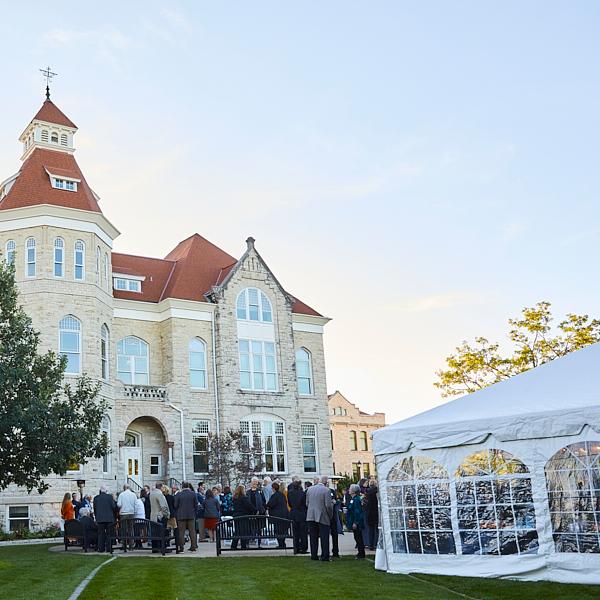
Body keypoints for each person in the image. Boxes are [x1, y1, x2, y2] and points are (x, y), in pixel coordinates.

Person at [306, 475, 333, 561]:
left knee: (313, 537)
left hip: (311, 515)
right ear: (326, 482)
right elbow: (328, 505)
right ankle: (325, 556)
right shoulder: (326, 490)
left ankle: (314, 555)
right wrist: (330, 515)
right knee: (324, 537)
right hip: (322, 516)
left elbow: (307, 503)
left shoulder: (309, 489)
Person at [174, 482, 198, 553]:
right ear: (188, 486)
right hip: (191, 515)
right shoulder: (193, 494)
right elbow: (196, 505)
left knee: (181, 532)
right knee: (192, 532)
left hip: (181, 515)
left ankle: (181, 548)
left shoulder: (179, 494)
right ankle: (193, 547)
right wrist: (194, 512)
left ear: (182, 487)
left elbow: (175, 505)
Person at [93, 485, 117, 553]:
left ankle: (101, 548)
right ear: (106, 491)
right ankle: (109, 548)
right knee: (109, 534)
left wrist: (96, 517)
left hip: (100, 518)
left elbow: (95, 509)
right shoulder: (109, 497)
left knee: (100, 534)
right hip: (109, 518)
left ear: (100, 491)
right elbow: (113, 507)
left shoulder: (96, 498)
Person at [231, 484, 255, 550]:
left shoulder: (235, 498)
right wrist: (255, 510)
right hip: (243, 516)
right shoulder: (244, 498)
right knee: (244, 531)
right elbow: (249, 506)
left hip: (236, 516)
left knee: (237, 531)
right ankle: (243, 545)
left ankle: (234, 545)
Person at [287, 476, 308, 554]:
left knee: (295, 533)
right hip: (301, 514)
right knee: (303, 532)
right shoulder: (303, 493)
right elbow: (305, 504)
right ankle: (303, 548)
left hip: (294, 513)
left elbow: (289, 503)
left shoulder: (290, 493)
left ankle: (296, 548)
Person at [266, 482, 289, 548]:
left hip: (277, 516)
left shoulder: (274, 496)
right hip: (284, 515)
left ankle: (281, 544)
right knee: (283, 530)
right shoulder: (282, 495)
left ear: (273, 488)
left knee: (278, 531)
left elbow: (270, 504)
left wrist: (266, 505)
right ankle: (282, 543)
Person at [149, 482, 170, 553]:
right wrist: (166, 514)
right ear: (161, 487)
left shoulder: (151, 494)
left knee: (154, 533)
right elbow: (163, 506)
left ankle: (155, 548)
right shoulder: (159, 494)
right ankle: (162, 547)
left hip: (153, 515)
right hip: (159, 516)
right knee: (162, 532)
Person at [346, 484, 366, 559]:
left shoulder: (356, 499)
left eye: (350, 489)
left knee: (358, 537)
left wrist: (355, 522)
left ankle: (361, 553)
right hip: (353, 520)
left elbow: (357, 512)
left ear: (354, 491)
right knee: (356, 536)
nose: (349, 490)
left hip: (357, 522)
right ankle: (360, 552)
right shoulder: (353, 499)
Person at [117, 484, 137, 549]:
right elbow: (136, 504)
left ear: (124, 488)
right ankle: (131, 545)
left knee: (124, 529)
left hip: (124, 513)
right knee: (131, 529)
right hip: (131, 513)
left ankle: (124, 545)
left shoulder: (121, 495)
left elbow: (119, 504)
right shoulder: (133, 495)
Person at [365, 479, 379, 550]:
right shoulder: (377, 491)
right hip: (376, 512)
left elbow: (365, 502)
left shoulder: (367, 492)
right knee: (378, 529)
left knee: (371, 530)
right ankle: (378, 544)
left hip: (369, 512)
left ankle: (371, 545)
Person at [329, 487, 341, 558]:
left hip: (333, 516)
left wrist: (335, 502)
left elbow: (336, 501)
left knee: (335, 534)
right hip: (326, 516)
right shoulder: (324, 491)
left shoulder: (332, 491)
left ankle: (335, 552)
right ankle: (326, 552)